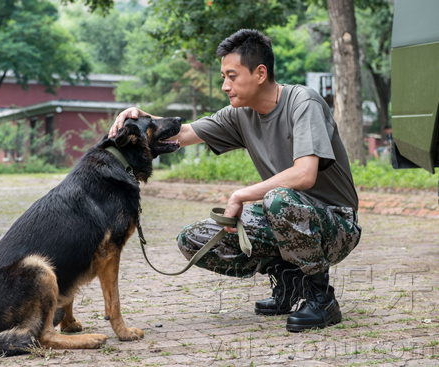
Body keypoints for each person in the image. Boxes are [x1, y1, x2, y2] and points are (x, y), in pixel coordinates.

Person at [109, 29, 362, 332]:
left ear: (259, 73)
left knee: (276, 199)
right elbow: (184, 133)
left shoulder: (303, 102)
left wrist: (241, 195)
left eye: (232, 76)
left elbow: (305, 174)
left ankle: (322, 298)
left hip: (337, 224)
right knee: (194, 238)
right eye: (223, 77)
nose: (225, 86)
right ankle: (289, 281)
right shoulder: (240, 114)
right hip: (286, 214)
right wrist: (138, 116)